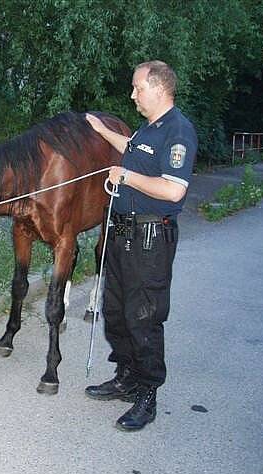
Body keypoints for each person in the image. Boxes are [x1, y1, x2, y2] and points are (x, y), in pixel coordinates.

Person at [84, 60, 197, 431]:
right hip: (122, 234)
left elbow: (173, 189)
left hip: (150, 240)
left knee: (144, 316)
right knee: (115, 310)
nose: (132, 95)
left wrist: (127, 177)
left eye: (137, 88)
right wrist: (101, 130)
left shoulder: (178, 132)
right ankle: (126, 376)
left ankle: (147, 393)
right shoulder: (150, 130)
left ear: (159, 88)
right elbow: (131, 147)